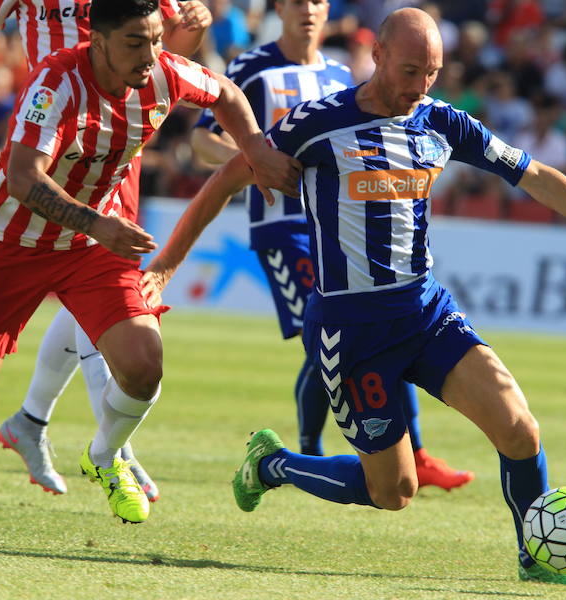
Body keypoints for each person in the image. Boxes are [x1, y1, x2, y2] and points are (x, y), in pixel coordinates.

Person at [140, 8, 566, 586]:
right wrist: (168, 263)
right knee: (393, 492)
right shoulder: (318, 123)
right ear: (377, 55)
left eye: (430, 72)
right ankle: (273, 464)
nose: (419, 86)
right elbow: (229, 175)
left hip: (425, 311)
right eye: (409, 70)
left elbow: (534, 176)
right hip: (352, 331)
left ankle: (535, 556)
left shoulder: (441, 122)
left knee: (519, 429)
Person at [0, 0, 301, 543]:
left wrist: (256, 149)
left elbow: (227, 93)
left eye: (154, 39)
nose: (151, 55)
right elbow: (23, 178)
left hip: (89, 247)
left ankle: (103, 455)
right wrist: (99, 225)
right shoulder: (55, 82)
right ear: (98, 41)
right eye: (135, 43)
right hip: (12, 241)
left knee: (144, 364)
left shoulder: (164, 71)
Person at [0, 0, 213, 501]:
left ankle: (103, 444)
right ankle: (39, 424)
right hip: (48, 139)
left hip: (118, 142)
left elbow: (161, 58)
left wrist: (193, 33)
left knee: (115, 312)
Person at [190, 0, 472, 491]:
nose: (308, 11)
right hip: (282, 227)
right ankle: (305, 453)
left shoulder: (341, 74)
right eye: (297, 2)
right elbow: (201, 143)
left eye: (318, 1)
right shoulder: (252, 68)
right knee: (333, 340)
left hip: (344, 228)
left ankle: (415, 452)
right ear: (279, 8)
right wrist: (259, 159)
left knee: (387, 326)